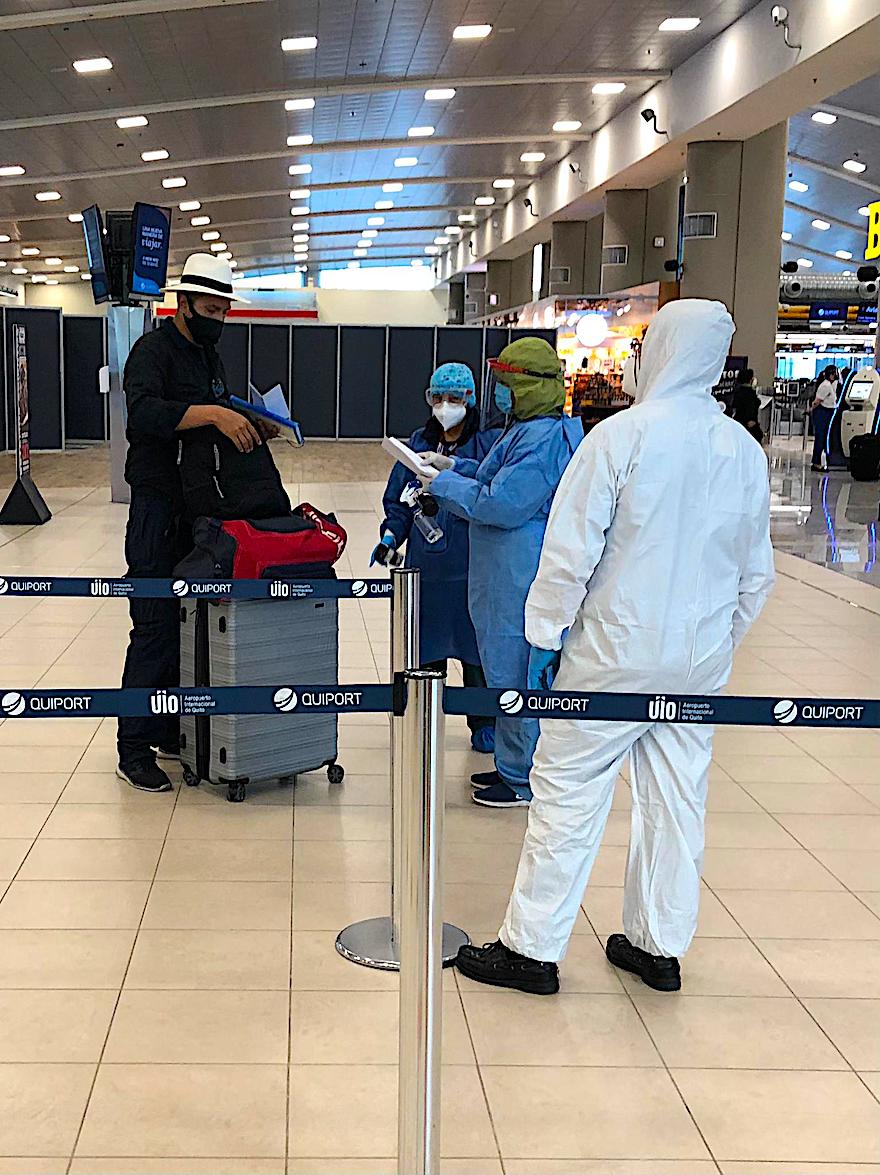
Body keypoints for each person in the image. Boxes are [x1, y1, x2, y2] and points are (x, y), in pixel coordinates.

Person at [455, 299, 774, 994]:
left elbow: (569, 556)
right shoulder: (744, 452)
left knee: (568, 792)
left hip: (609, 658)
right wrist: (714, 647)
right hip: (695, 669)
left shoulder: (621, 439)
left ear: (658, 351)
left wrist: (543, 636)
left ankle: (532, 948)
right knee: (676, 800)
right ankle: (657, 945)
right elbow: (757, 577)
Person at [117, 253, 262, 793]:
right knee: (154, 625)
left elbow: (215, 412)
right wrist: (212, 414)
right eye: (210, 307)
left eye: (225, 308)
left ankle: (164, 727)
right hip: (157, 507)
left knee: (187, 625)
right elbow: (146, 413)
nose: (219, 317)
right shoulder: (151, 351)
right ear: (183, 304)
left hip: (200, 509)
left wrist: (244, 421)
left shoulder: (208, 356)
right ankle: (132, 748)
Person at [426, 337, 582, 808]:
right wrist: (453, 465)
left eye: (507, 384)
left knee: (519, 672)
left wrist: (445, 484)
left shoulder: (545, 439)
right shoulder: (525, 430)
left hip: (520, 574)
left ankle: (523, 779)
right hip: (501, 573)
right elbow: (494, 475)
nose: (500, 393)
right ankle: (513, 765)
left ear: (529, 386)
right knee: (502, 668)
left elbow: (503, 502)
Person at [373, 363, 498, 753]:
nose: (445, 406)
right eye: (437, 398)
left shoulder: (487, 447)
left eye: (454, 398)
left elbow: (492, 494)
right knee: (426, 652)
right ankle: (425, 721)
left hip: (469, 570)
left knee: (475, 657)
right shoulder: (415, 444)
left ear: (470, 400)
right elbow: (399, 500)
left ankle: (484, 723)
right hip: (426, 570)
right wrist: (391, 537)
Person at [811, 365, 840, 471]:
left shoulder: (829, 385)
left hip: (826, 413)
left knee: (822, 438)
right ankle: (816, 462)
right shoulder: (826, 386)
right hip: (822, 413)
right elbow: (817, 401)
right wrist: (810, 410)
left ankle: (817, 461)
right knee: (820, 438)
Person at [730, 368, 764, 444]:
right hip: (749, 424)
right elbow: (751, 407)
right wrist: (751, 419)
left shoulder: (737, 392)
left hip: (738, 423)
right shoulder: (750, 393)